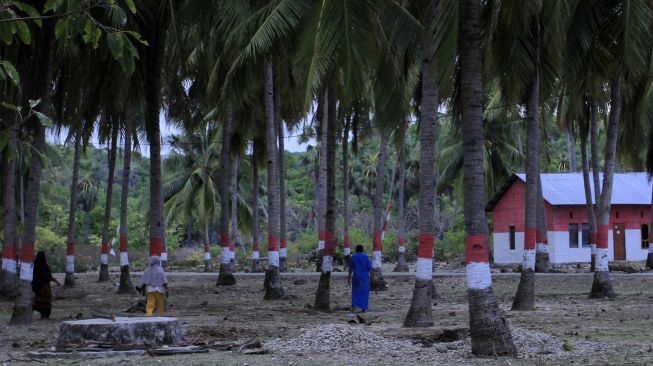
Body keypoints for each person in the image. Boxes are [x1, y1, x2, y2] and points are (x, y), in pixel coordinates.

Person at [32, 251, 60, 319]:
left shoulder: (35, 265)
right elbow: (49, 277)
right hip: (45, 287)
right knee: (46, 302)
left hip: (37, 286)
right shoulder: (45, 266)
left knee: (37, 301)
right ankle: (44, 316)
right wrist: (57, 282)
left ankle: (31, 313)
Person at [348, 245, 372, 312]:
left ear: (356, 249)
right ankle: (363, 307)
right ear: (362, 250)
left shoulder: (353, 257)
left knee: (355, 291)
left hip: (356, 276)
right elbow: (370, 268)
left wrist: (348, 278)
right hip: (365, 277)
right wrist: (372, 278)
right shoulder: (366, 257)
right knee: (364, 291)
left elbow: (350, 269)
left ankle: (355, 305)